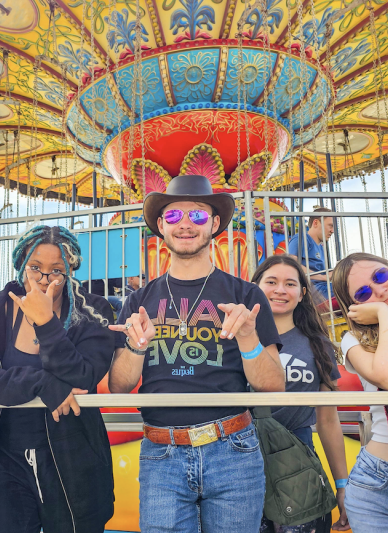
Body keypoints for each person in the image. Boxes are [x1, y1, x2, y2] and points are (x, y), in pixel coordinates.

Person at [108, 174, 284, 533]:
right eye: (173, 217)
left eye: (198, 216)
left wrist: (248, 337)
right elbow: (119, 386)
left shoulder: (247, 295)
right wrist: (135, 346)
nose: (185, 225)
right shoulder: (138, 301)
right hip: (161, 452)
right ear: (161, 225)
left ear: (215, 223)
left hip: (233, 449)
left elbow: (273, 384)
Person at [0, 225, 115, 533]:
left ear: (70, 271)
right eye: (35, 268)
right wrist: (42, 383)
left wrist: (46, 323)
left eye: (56, 271)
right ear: (22, 265)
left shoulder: (94, 311)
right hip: (4, 457)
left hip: (74, 457)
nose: (45, 279)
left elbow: (84, 375)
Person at [251, 255, 350, 532]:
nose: (280, 289)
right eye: (271, 282)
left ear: (302, 293)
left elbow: (328, 421)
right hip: (241, 464)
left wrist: (341, 486)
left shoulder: (317, 345)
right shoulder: (236, 338)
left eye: (290, 283)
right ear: (255, 287)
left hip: (298, 466)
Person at [332, 252, 388, 530]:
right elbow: (385, 376)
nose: (379, 290)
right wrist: (384, 313)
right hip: (375, 481)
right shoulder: (353, 340)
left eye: (381, 276)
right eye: (365, 293)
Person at [287, 207, 335, 301]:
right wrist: (324, 277)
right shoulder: (301, 238)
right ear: (316, 223)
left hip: (323, 287)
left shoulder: (320, 247)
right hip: (312, 289)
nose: (332, 231)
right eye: (330, 226)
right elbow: (291, 264)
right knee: (348, 289)